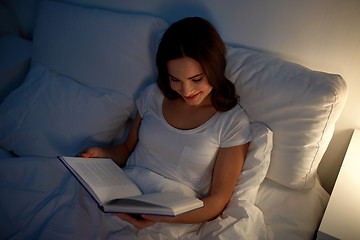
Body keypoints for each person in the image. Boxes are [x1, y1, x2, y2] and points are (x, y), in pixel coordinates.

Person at [78, 17, 251, 230]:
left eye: (196, 79)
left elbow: (217, 201)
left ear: (215, 69)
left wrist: (163, 217)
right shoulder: (154, 95)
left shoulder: (232, 122)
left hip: (173, 214)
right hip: (122, 194)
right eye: (175, 79)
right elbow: (125, 149)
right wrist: (101, 154)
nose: (186, 91)